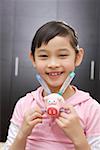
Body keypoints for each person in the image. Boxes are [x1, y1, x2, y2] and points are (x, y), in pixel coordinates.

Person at [3, 21, 100, 150]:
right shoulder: (24, 104)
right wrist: (23, 133)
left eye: (62, 55)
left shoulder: (91, 109)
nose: (53, 64)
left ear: (77, 57)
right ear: (33, 59)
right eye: (44, 56)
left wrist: (78, 138)